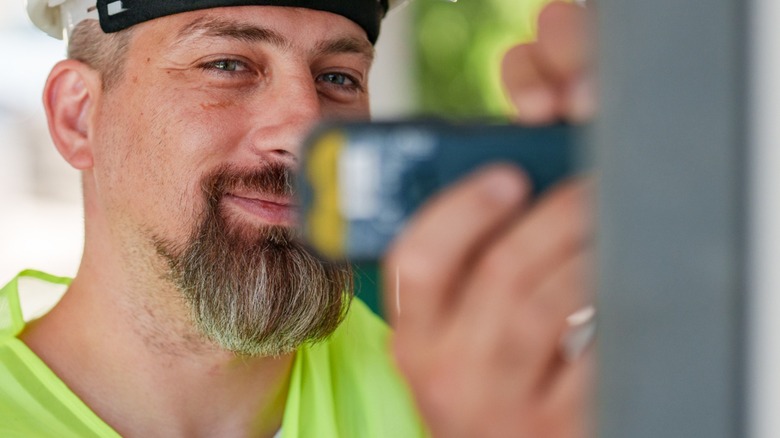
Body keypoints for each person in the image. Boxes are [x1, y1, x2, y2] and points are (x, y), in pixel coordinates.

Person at [0, 0, 594, 436]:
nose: (307, 128)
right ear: (79, 118)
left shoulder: (478, 389)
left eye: (338, 78)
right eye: (228, 64)